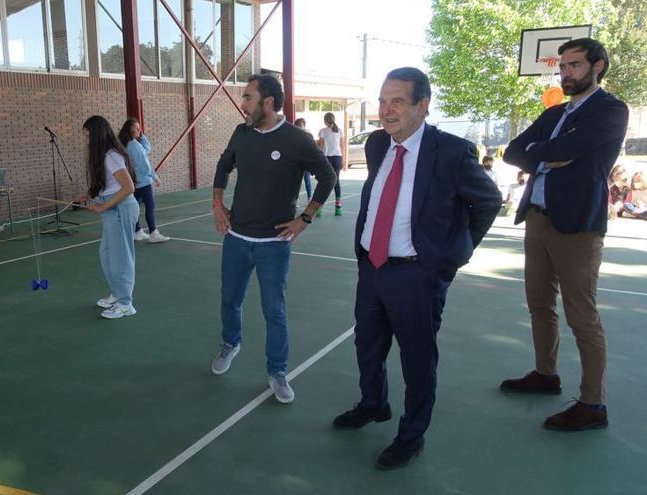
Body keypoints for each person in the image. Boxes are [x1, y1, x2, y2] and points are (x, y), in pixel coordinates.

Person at [333, 67, 500, 470]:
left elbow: (489, 202)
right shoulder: (377, 145)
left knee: (417, 359)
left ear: (422, 106)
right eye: (382, 101)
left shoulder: (452, 152)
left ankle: (411, 435)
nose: (386, 110)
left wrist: (452, 255)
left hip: (417, 275)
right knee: (367, 346)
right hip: (372, 268)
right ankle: (373, 404)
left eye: (397, 101)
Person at [501, 38, 629, 431]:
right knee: (539, 305)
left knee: (582, 317)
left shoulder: (611, 111)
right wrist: (552, 154)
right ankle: (545, 374)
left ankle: (594, 404)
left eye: (574, 65)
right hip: (538, 218)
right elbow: (513, 151)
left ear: (598, 66)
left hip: (577, 227)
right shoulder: (554, 112)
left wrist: (549, 152)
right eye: (562, 67)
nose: (566, 73)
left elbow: (571, 148)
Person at [210, 74, 335, 404]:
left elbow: (327, 176)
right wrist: (217, 204)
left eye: (248, 97)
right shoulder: (242, 133)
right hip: (236, 238)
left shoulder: (297, 140)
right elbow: (224, 166)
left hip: (274, 245)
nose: (243, 103)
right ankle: (230, 343)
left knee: (274, 311)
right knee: (229, 298)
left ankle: (277, 371)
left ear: (267, 102)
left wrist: (305, 219)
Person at [76, 116, 140, 319]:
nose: (86, 140)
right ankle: (118, 293)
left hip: (120, 209)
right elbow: (109, 184)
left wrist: (104, 206)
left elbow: (128, 187)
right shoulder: (106, 156)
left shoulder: (111, 156)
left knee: (120, 258)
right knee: (107, 255)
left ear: (97, 136)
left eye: (88, 136)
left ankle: (125, 304)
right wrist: (89, 194)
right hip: (114, 209)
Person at [118, 118, 170, 243]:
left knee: (136, 206)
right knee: (150, 206)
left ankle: (137, 231)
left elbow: (145, 151)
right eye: (136, 127)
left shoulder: (126, 144)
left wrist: (142, 137)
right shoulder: (135, 146)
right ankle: (153, 233)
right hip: (143, 181)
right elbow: (144, 164)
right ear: (130, 129)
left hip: (133, 182)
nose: (139, 129)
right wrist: (155, 176)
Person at [317, 112, 345, 215]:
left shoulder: (323, 131)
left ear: (325, 121)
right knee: (336, 181)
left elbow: (320, 147)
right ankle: (338, 209)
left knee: (324, 182)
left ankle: (319, 209)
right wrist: (343, 160)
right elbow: (342, 146)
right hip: (338, 158)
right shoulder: (340, 131)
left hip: (327, 158)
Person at [294, 118, 314, 203]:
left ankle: (310, 198)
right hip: (297, 162)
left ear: (304, 126)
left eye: (300, 126)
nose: (299, 128)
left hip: (306, 162)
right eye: (297, 126)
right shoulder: (293, 135)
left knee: (307, 180)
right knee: (296, 182)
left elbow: (312, 149)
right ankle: (295, 199)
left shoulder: (308, 135)